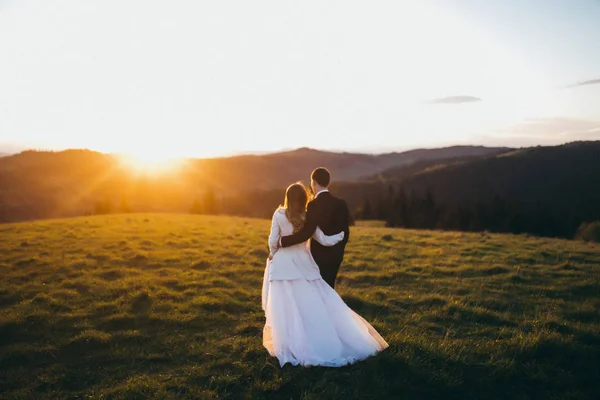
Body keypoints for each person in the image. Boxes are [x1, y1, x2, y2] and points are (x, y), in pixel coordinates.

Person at [262, 182, 388, 367]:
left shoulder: (279, 214)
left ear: (287, 197)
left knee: (285, 308)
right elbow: (324, 240)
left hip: (282, 267)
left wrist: (273, 252)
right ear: (305, 199)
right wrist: (340, 236)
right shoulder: (308, 217)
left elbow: (273, 240)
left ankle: (289, 345)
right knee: (309, 306)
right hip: (304, 267)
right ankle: (317, 338)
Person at [279, 168, 349, 289]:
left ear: (313, 182)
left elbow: (307, 233)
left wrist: (283, 241)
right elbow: (346, 232)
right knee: (329, 287)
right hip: (337, 255)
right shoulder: (341, 203)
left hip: (319, 257)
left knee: (319, 289)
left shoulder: (314, 205)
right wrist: (338, 250)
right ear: (328, 183)